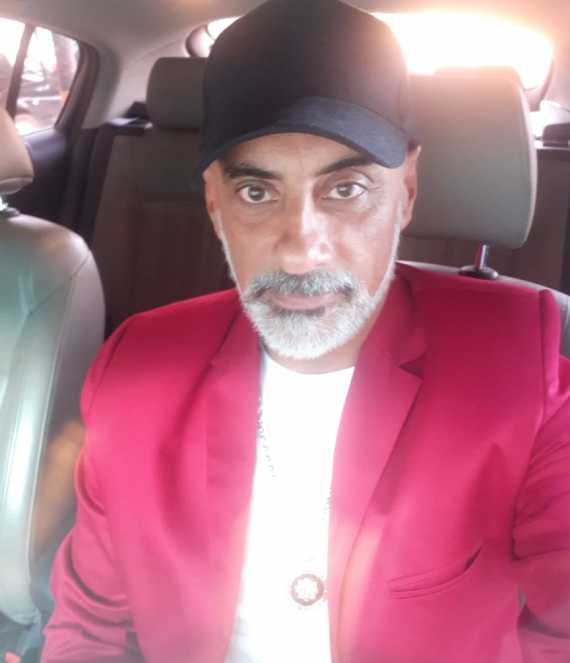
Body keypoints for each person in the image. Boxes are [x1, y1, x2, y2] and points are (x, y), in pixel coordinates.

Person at [42, 0, 570, 661]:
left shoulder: (521, 369)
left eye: (346, 189)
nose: (299, 251)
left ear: (406, 191)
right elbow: (89, 629)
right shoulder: (136, 368)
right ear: (214, 202)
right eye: (257, 192)